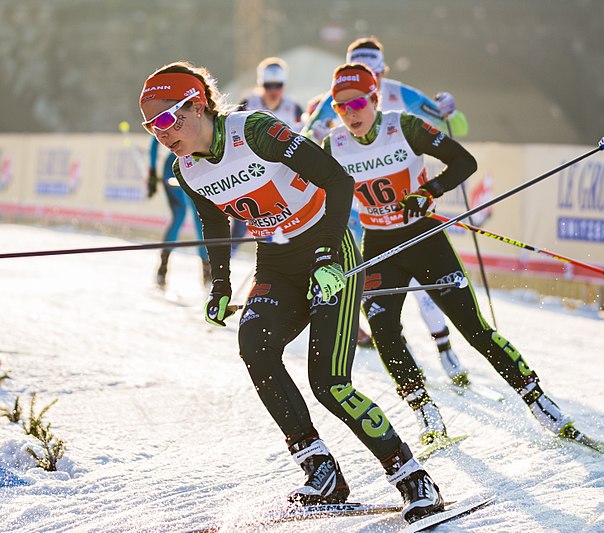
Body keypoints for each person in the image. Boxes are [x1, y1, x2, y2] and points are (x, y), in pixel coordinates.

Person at [138, 61, 443, 523]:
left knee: (329, 383)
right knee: (254, 346)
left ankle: (412, 476)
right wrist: (220, 282)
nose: (160, 132)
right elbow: (216, 222)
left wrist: (325, 256)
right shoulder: (187, 168)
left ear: (197, 106)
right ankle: (321, 471)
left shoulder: (254, 131)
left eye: (165, 119)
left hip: (329, 251)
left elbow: (338, 181)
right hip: (277, 264)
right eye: (150, 124)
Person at [322, 63, 575, 447]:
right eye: (341, 107)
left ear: (374, 98)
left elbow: (464, 161)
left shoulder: (403, 127)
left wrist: (430, 191)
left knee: (472, 328)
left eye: (357, 102)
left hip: (424, 239)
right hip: (378, 246)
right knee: (385, 331)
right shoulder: (333, 145)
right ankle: (425, 410)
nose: (350, 112)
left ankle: (537, 399)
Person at [304, 35, 470, 386]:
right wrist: (313, 130)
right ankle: (399, 354)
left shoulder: (402, 94)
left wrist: (453, 112)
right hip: (363, 208)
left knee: (424, 284)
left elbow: (453, 127)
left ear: (383, 72)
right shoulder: (340, 95)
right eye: (364, 69)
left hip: (404, 200)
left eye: (375, 71)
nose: (371, 78)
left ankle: (443, 347)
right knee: (380, 290)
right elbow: (306, 138)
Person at [230, 57, 306, 253]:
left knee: (285, 226)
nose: (273, 91)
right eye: (268, 85)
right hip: (250, 174)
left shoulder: (294, 108)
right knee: (239, 228)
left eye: (278, 86)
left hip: (280, 178)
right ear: (261, 84)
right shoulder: (248, 103)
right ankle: (220, 272)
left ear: (284, 86)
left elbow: (303, 141)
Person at [147, 136, 211, 288]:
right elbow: (155, 140)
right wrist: (152, 172)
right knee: (179, 215)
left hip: (196, 165)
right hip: (174, 167)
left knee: (199, 218)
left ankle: (207, 272)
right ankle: (163, 268)